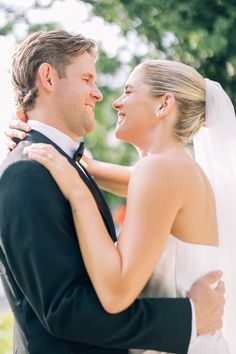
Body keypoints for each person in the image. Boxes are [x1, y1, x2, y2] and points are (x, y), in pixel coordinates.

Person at [0, 30, 225, 354]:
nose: (106, 97)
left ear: (164, 105)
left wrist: (73, 184)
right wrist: (26, 134)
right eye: (88, 79)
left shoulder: (160, 170)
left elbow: (113, 292)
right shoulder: (31, 171)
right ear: (48, 77)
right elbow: (64, 307)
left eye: (129, 91)